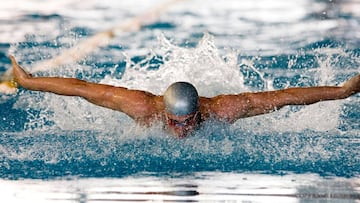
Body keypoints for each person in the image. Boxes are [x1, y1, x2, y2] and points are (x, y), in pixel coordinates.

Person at [10, 55, 360, 138]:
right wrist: (29, 82)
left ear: (198, 113)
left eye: (189, 121)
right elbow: (82, 88)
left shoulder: (222, 109)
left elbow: (285, 96)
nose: (182, 130)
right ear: (164, 112)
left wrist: (342, 91)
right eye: (175, 122)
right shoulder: (140, 106)